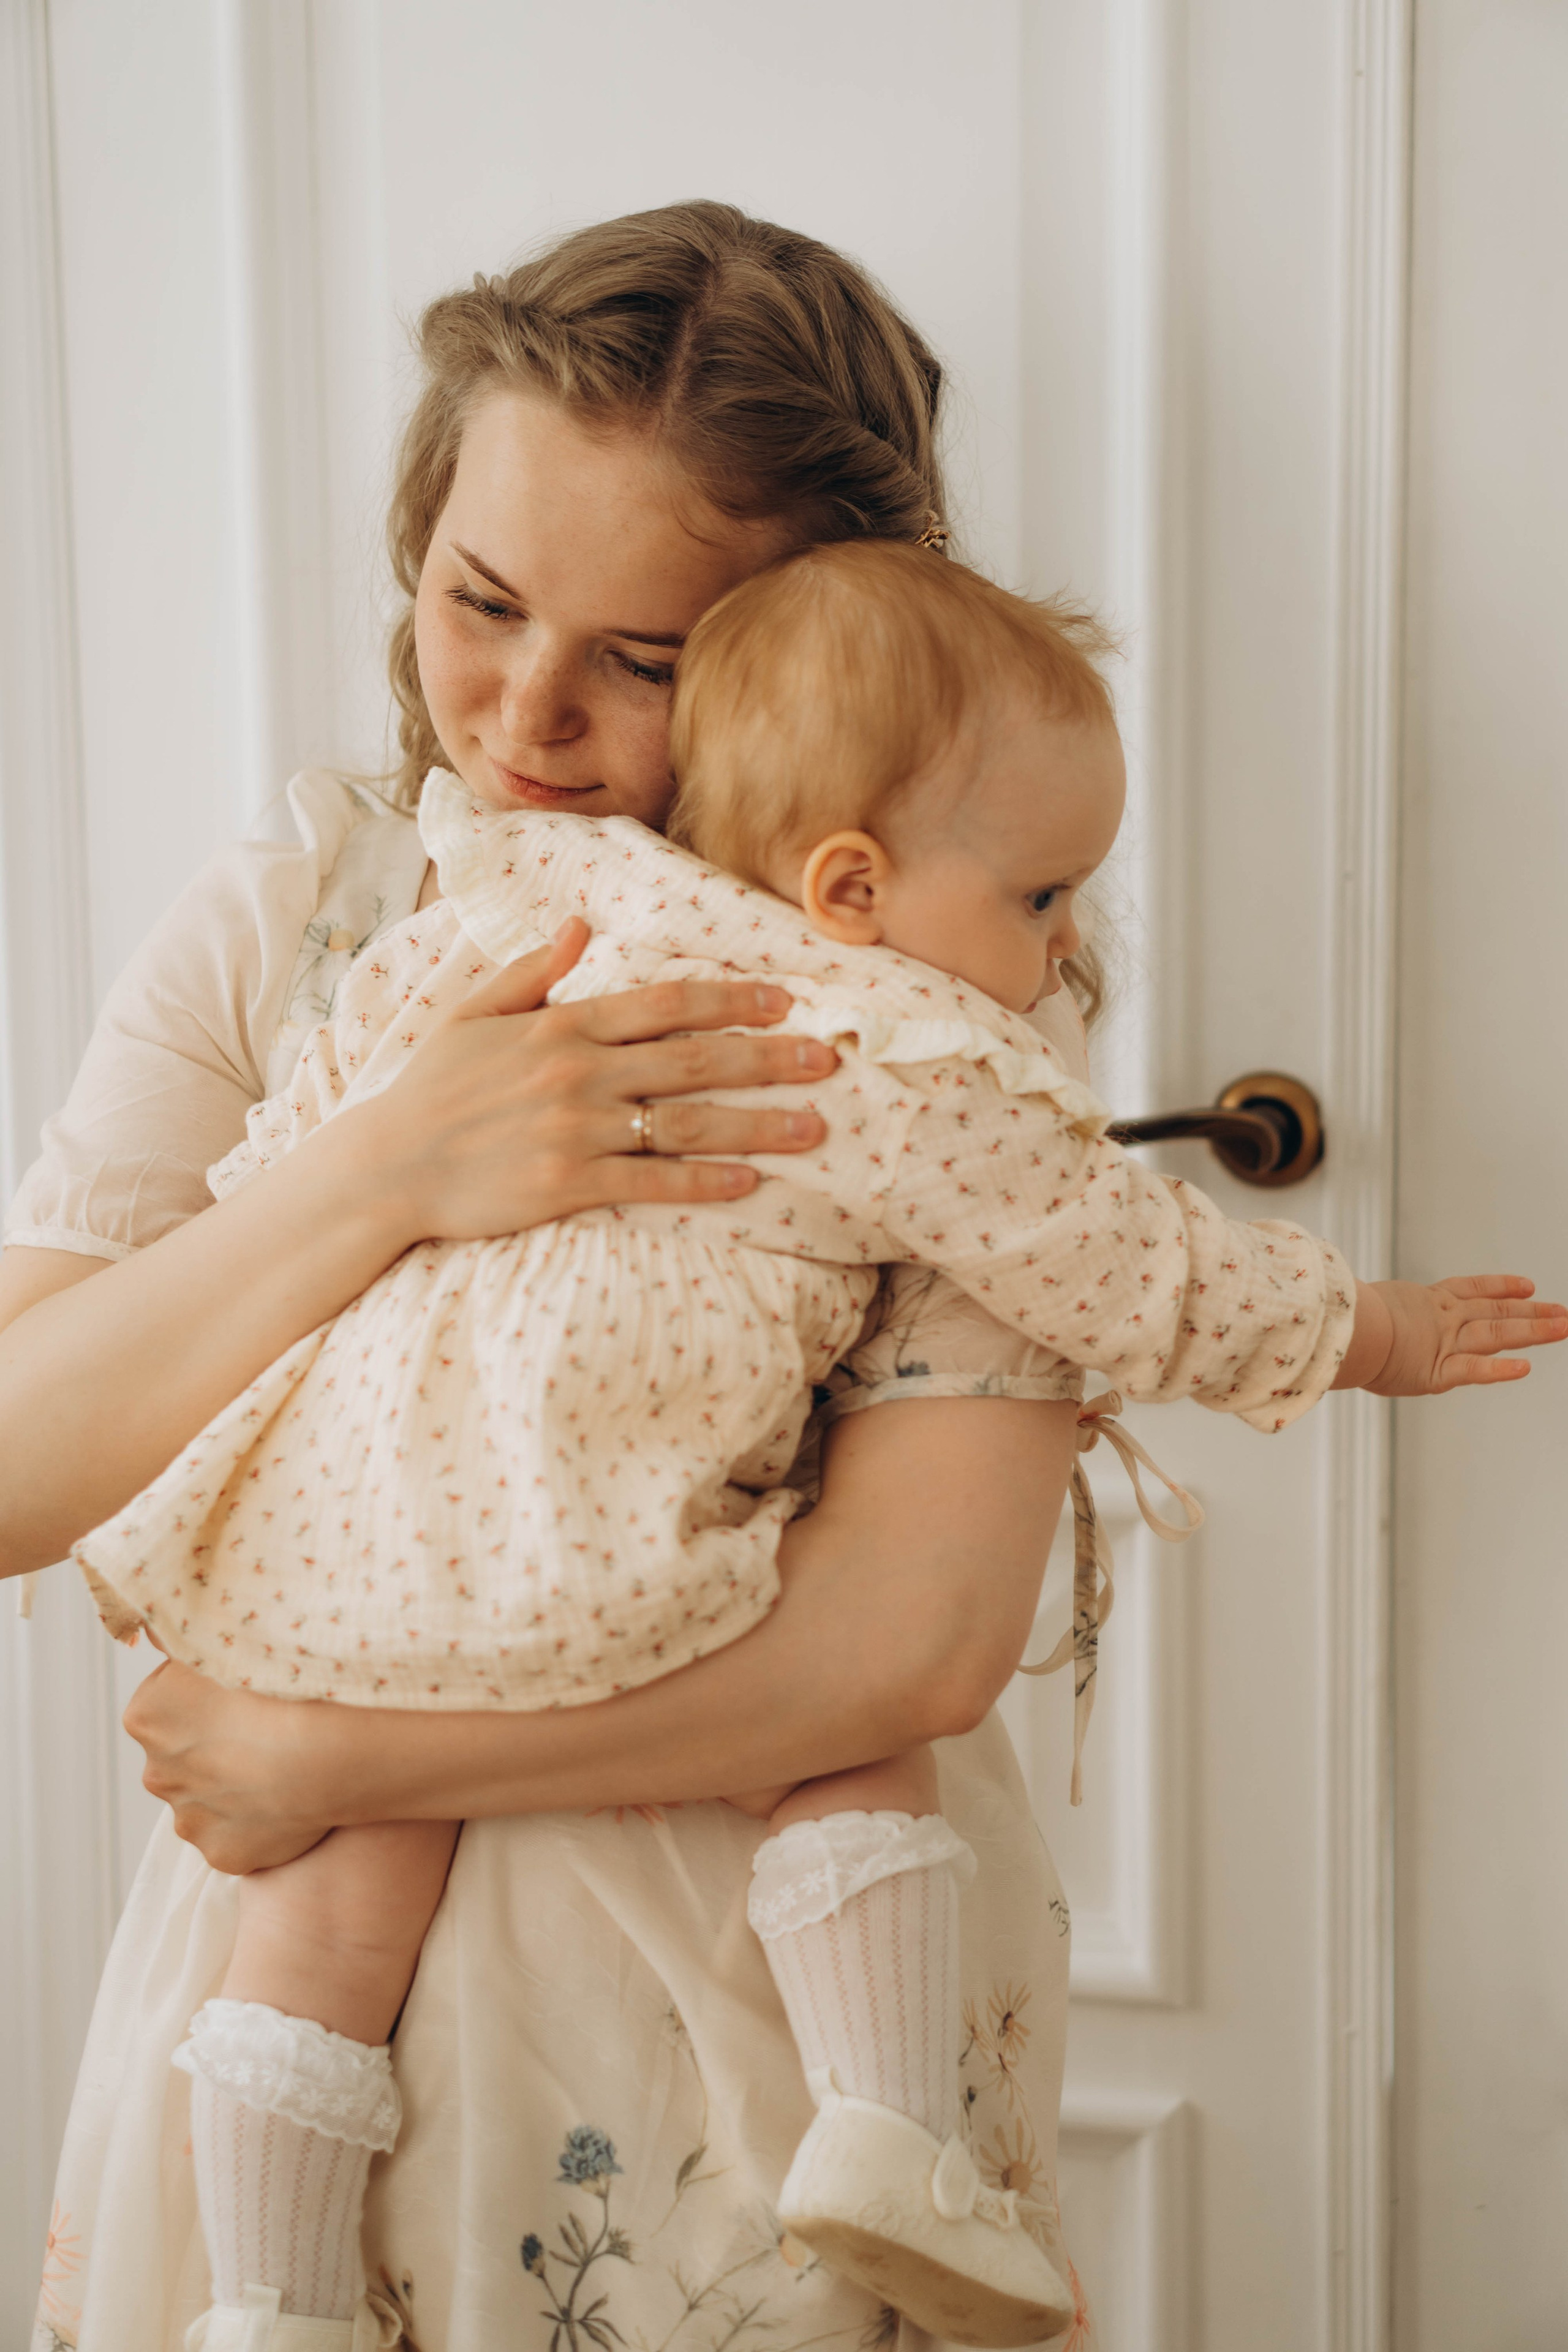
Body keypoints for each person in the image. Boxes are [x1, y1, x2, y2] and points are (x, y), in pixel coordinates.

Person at [6, 206, 1561, 2352]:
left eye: (644, 660)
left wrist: (322, 1751)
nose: (526, 717)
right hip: (291, 2005)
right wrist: (378, 1174)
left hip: (756, 2000)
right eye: (477, 600)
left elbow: (905, 1651)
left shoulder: (904, 1010)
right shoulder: (298, 919)